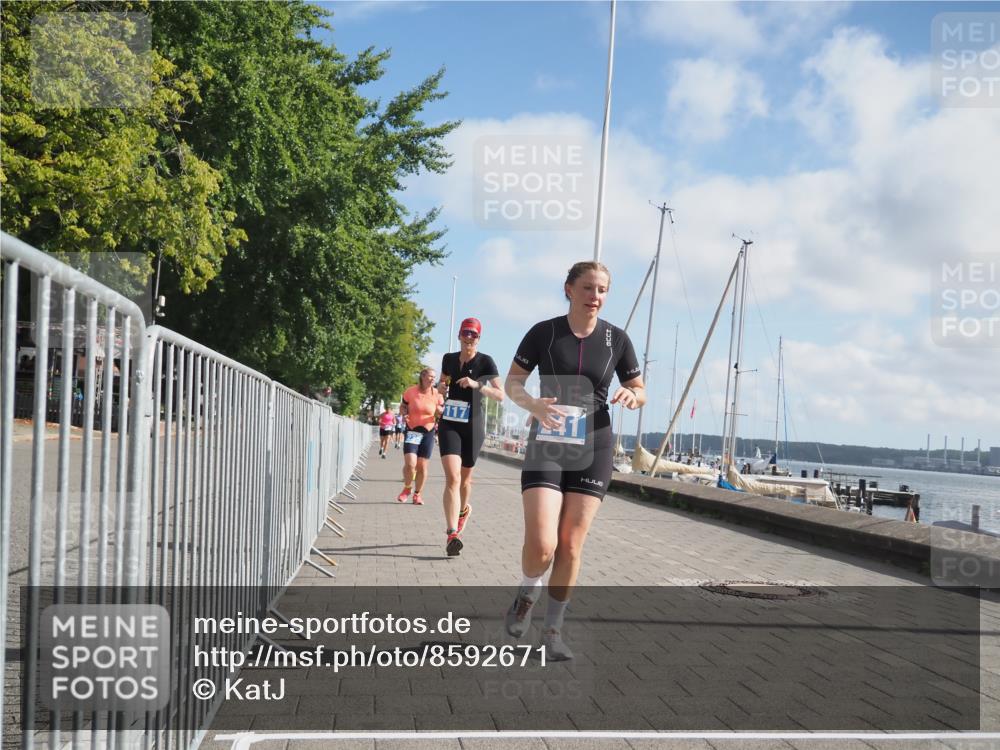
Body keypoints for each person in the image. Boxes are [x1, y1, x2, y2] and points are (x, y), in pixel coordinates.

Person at [503, 261, 645, 660]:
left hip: (594, 446)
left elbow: (638, 387)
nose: (595, 296)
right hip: (548, 442)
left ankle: (552, 632)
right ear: (568, 289)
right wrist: (531, 403)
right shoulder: (543, 333)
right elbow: (513, 382)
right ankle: (526, 593)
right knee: (543, 544)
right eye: (587, 288)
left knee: (570, 546)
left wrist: (634, 396)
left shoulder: (617, 339)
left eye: (602, 290)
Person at [437, 318, 505, 557]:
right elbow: (442, 383)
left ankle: (464, 510)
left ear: (478, 338)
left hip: (473, 424)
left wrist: (477, 385)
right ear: (459, 335)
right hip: (449, 423)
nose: (469, 338)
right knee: (453, 478)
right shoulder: (448, 358)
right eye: (466, 333)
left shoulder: (485, 362)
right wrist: (441, 388)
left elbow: (500, 395)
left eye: (474, 335)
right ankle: (452, 533)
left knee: (465, 480)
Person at [397, 368, 444, 505]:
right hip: (412, 430)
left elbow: (441, 410)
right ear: (423, 376)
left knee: (422, 466)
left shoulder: (437, 394)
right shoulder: (411, 391)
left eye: (434, 377)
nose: (433, 379)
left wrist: (440, 411)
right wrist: (404, 412)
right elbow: (403, 406)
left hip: (428, 432)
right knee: (410, 464)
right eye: (430, 376)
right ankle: (407, 489)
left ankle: (417, 494)